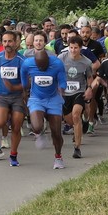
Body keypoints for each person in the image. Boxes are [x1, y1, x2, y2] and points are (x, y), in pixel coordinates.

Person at [22, 33, 71, 168]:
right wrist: (24, 89)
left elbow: (62, 82)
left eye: (44, 67)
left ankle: (58, 157)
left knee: (56, 132)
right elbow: (23, 78)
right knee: (36, 126)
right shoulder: (28, 63)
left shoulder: (57, 63)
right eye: (39, 67)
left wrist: (61, 90)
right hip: (37, 98)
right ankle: (39, 133)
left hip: (53, 98)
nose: (42, 69)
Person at [0, 29, 28, 165]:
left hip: (17, 97)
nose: (7, 44)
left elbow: (28, 82)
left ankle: (13, 155)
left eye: (10, 41)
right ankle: (7, 115)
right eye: (4, 41)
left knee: (16, 127)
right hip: (1, 96)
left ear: (16, 43)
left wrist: (16, 88)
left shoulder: (22, 60)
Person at [60, 35, 95, 157]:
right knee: (69, 119)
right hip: (65, 92)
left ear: (80, 48)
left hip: (79, 91)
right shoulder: (62, 58)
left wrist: (89, 88)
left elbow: (90, 77)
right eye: (71, 48)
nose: (73, 50)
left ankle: (77, 148)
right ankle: (79, 127)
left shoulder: (86, 62)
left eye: (76, 48)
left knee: (76, 115)